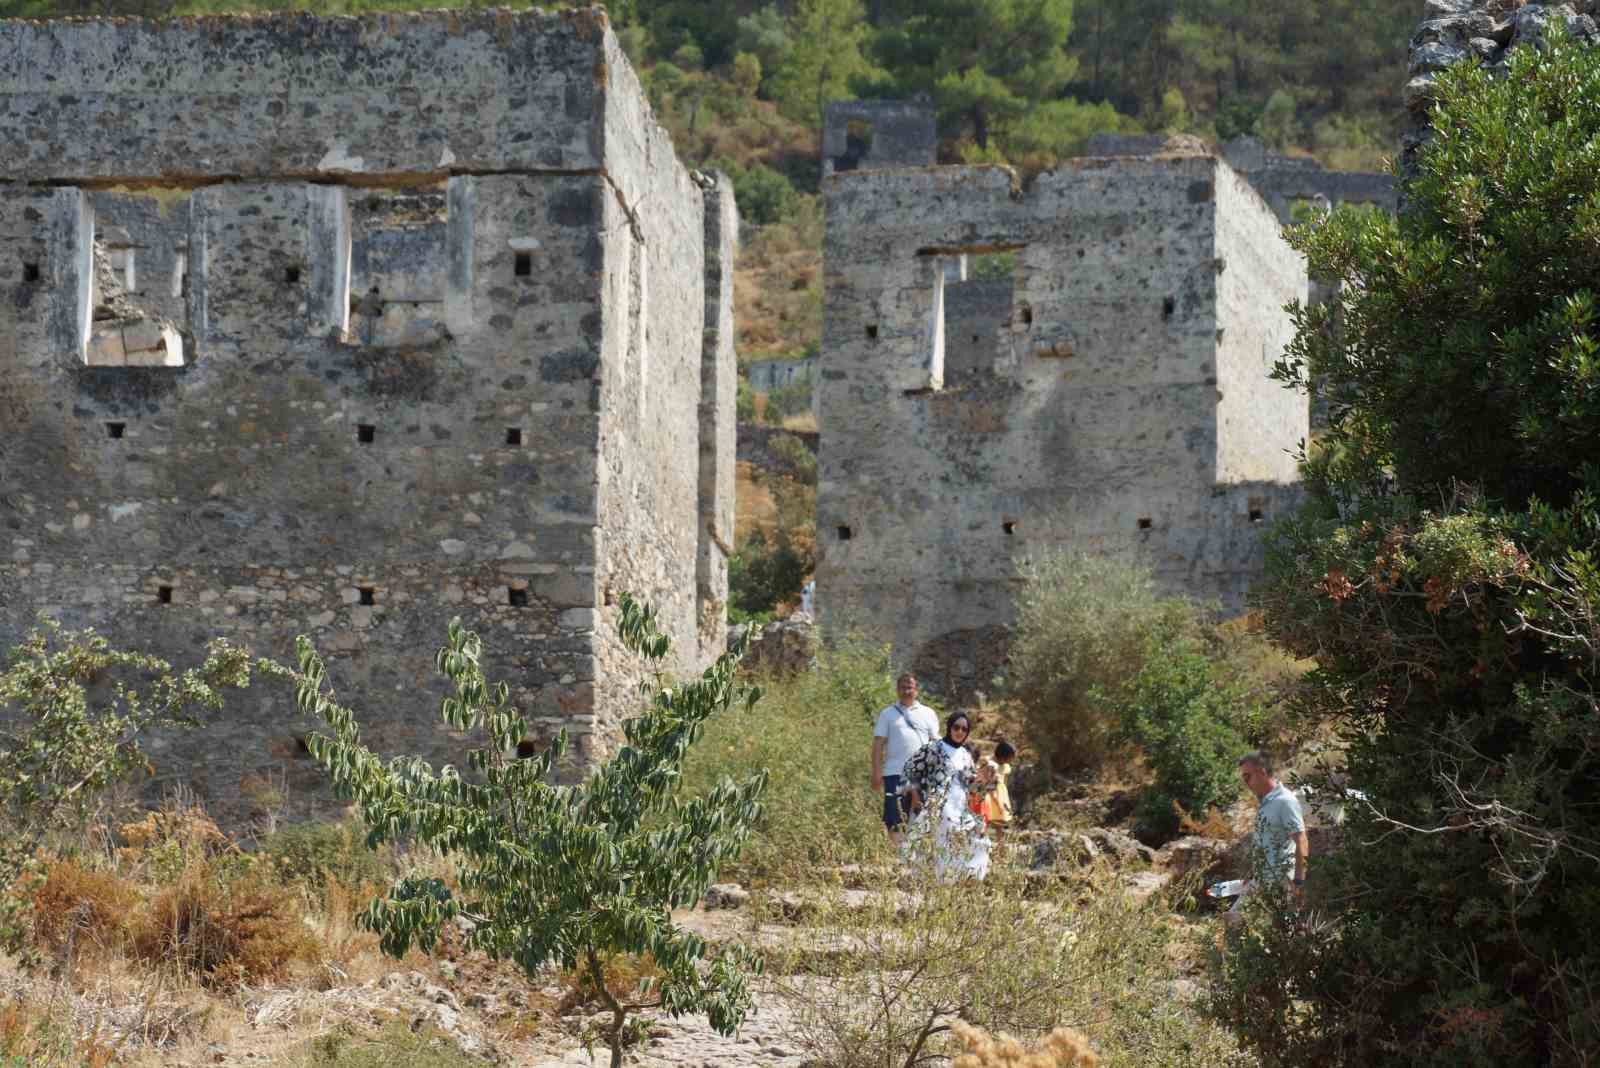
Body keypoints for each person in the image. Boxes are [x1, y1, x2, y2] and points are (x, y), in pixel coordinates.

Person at [902, 712, 993, 880]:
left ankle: (962, 881)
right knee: (943, 844)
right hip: (939, 804)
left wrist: (982, 781)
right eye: (956, 727)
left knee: (978, 841)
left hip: (960, 806)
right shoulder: (933, 748)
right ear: (949, 727)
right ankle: (941, 885)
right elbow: (910, 769)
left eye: (964, 729)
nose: (960, 731)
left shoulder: (966, 755)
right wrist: (915, 795)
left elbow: (971, 787)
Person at [1230, 750, 1308, 921]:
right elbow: (1266, 843)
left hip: (1281, 881)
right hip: (1262, 879)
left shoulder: (1285, 801)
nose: (1245, 782)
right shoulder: (1266, 802)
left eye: (1247, 776)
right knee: (1233, 919)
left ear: (1262, 772)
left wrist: (1299, 882)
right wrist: (1253, 872)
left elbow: (1301, 840)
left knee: (1283, 930)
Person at [870, 673, 939, 846]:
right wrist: (877, 773)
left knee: (922, 815)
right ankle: (899, 857)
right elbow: (878, 744)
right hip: (894, 772)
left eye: (910, 687)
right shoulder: (887, 714)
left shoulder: (928, 713)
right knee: (894, 818)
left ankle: (915, 858)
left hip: (922, 774)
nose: (907, 691)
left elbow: (936, 744)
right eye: (903, 687)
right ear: (897, 690)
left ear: (916, 690)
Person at [980, 741, 1016, 831]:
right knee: (986, 817)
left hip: (1001, 795)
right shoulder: (990, 764)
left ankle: (1000, 843)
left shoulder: (1006, 767)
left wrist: (1004, 798)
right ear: (1003, 756)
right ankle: (981, 838)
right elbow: (986, 782)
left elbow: (1004, 783)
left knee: (1001, 821)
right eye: (1010, 758)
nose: (1011, 760)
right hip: (989, 794)